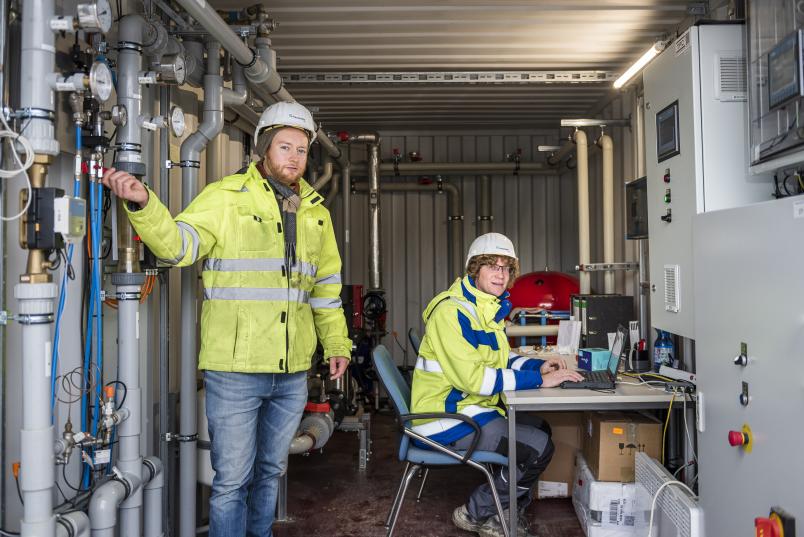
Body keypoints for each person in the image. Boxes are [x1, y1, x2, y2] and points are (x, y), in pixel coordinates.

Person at [102, 101, 351, 537]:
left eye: (301, 149)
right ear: (263, 149)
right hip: (234, 372)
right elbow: (178, 246)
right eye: (284, 147)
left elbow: (326, 290)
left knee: (270, 473)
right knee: (232, 481)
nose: (293, 157)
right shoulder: (224, 197)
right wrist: (144, 204)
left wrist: (336, 345)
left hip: (291, 373)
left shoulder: (316, 214)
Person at [410, 232, 583, 537]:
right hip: (444, 418)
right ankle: (476, 513)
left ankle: (502, 511)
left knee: (540, 428)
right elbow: (476, 379)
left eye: (505, 268)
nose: (500, 275)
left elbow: (499, 361)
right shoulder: (453, 313)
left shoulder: (487, 308)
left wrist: (537, 366)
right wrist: (541, 380)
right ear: (475, 269)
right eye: (492, 266)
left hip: (471, 408)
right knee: (538, 448)